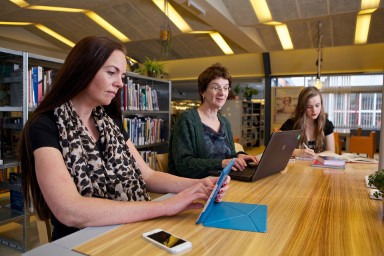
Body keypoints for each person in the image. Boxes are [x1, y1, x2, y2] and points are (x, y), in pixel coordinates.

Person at [19, 36, 230, 241]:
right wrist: (166, 206)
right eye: (112, 73)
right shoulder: (44, 126)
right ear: (83, 70)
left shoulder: (109, 120)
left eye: (122, 76)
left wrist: (199, 185)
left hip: (130, 229)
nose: (120, 83)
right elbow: (70, 210)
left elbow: (147, 176)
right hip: (83, 241)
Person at [169, 63, 258, 179]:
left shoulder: (224, 122)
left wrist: (239, 156)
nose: (222, 93)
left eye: (225, 88)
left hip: (222, 181)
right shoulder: (187, 119)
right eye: (216, 87)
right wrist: (222, 163)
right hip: (194, 187)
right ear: (203, 91)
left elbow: (228, 155)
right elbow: (184, 165)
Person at [279, 86, 335, 158]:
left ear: (321, 104)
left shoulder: (327, 124)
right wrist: (298, 152)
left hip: (319, 168)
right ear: (302, 107)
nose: (314, 110)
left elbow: (331, 152)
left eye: (317, 105)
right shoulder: (290, 124)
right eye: (309, 107)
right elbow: (276, 146)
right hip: (297, 168)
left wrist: (314, 155)